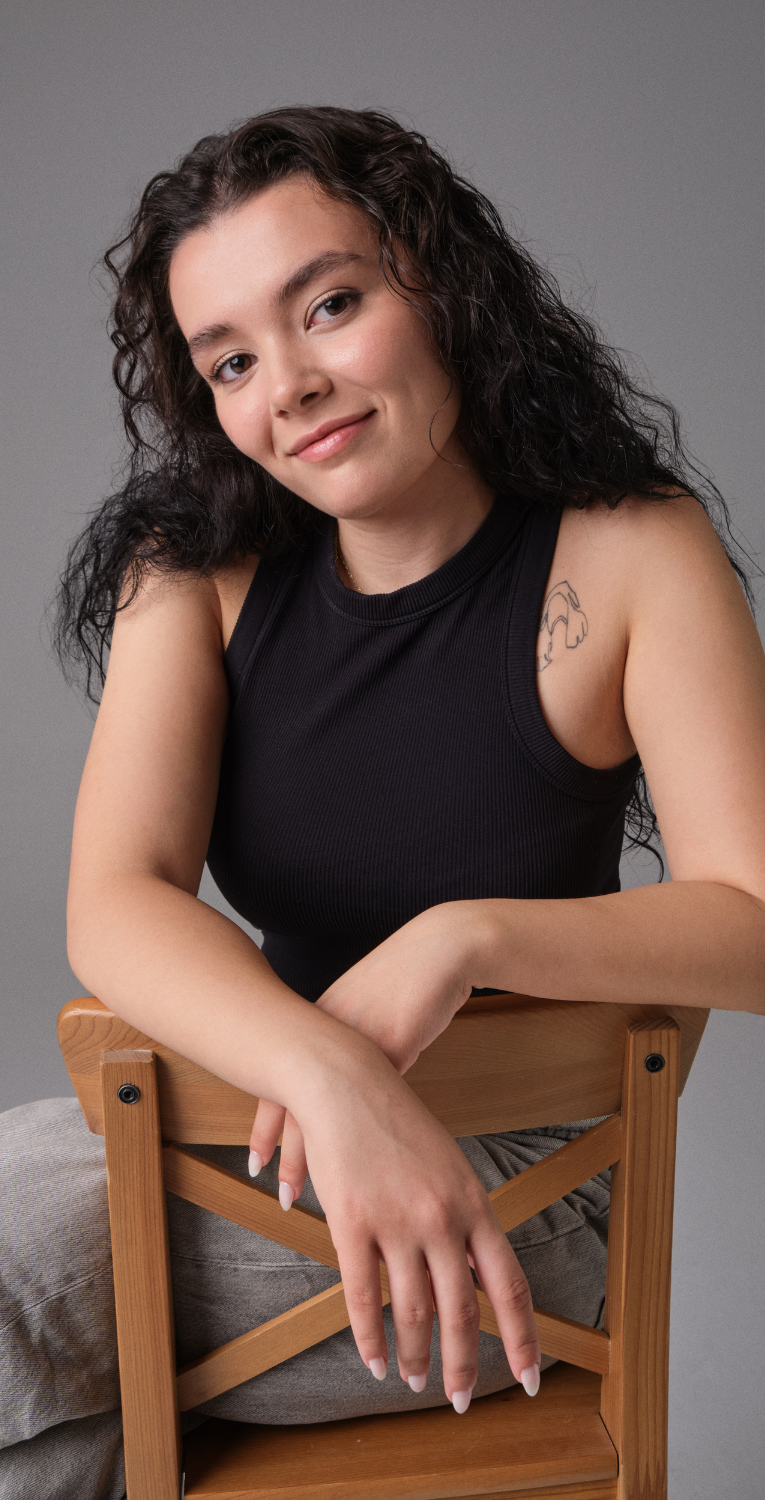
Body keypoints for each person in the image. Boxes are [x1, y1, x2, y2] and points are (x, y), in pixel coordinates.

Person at [2, 106, 764, 1500]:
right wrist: (332, 1074)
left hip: (519, 1193)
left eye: (330, 305)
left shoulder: (632, 551)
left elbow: (757, 917)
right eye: (232, 361)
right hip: (266, 1126)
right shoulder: (196, 573)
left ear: (442, 283)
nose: (289, 387)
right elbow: (114, 898)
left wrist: (465, 939)